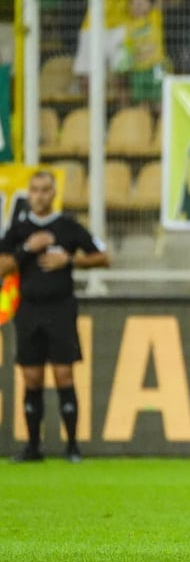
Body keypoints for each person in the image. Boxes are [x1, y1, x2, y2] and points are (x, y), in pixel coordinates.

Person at [0, 170, 111, 464]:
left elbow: (103, 256)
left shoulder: (68, 227)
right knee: (31, 377)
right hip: (29, 309)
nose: (39, 195)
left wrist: (70, 259)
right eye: (34, 190)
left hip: (61, 309)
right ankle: (33, 447)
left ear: (53, 193)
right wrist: (27, 249)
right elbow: (2, 266)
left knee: (64, 375)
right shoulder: (19, 230)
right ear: (29, 193)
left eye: (45, 190)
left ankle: (72, 446)